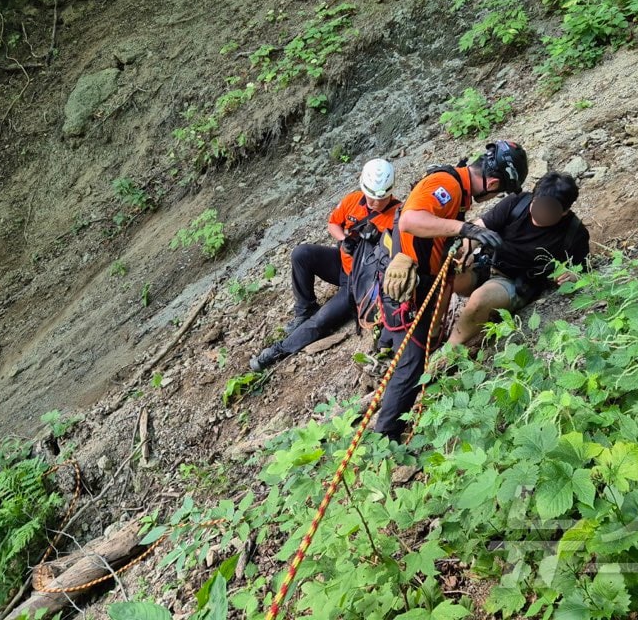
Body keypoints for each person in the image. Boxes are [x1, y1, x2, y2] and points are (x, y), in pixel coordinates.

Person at [375, 140, 529, 442]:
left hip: (420, 283)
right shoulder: (445, 184)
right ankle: (387, 438)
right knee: (411, 365)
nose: (494, 197)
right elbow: (410, 220)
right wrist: (466, 230)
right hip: (407, 286)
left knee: (412, 351)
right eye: (497, 192)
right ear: (493, 183)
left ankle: (390, 351)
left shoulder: (456, 193)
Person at [250, 158, 399, 372]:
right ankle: (304, 308)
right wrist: (343, 240)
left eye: (381, 199)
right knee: (302, 254)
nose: (375, 203)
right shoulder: (353, 200)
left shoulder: (397, 216)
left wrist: (375, 244)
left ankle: (278, 350)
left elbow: (396, 258)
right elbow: (333, 223)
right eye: (371, 198)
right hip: (341, 264)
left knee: (321, 321)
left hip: (360, 283)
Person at [448, 171, 590, 347]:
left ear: (565, 212)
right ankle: (431, 332)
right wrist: (467, 251)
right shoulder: (518, 203)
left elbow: (583, 269)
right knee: (447, 274)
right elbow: (477, 229)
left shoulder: (574, 232)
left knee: (479, 300)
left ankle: (448, 350)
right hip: (485, 263)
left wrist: (572, 276)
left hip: (512, 282)